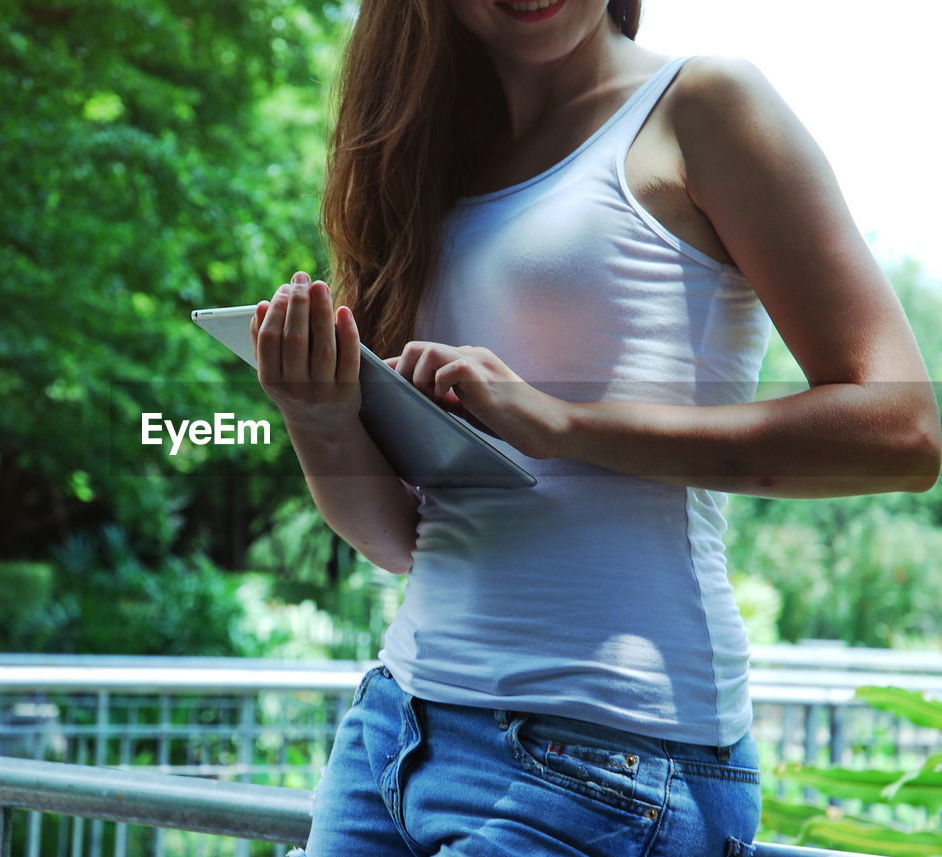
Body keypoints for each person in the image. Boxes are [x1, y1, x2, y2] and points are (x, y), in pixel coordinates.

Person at [249, 0, 941, 854]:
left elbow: (903, 431)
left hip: (609, 763)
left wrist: (567, 424)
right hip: (394, 730)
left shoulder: (703, 105)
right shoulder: (426, 163)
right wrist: (318, 419)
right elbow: (404, 538)